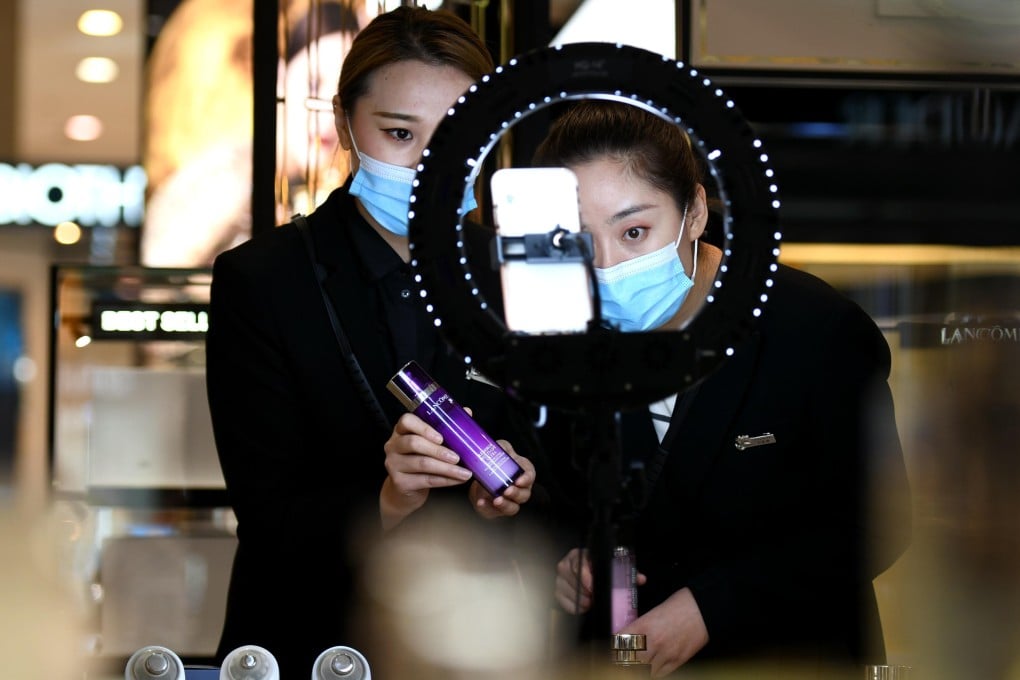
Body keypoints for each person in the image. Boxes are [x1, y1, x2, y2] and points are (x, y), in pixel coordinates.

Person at [205, 7, 537, 677]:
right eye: (398, 132)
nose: (425, 163)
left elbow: (576, 469)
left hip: (476, 640)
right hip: (309, 638)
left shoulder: (518, 274)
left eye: (453, 136)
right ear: (345, 122)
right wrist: (388, 500)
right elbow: (267, 516)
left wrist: (521, 490)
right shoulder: (265, 278)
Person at [530, 101, 913, 677]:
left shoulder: (814, 328)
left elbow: (875, 525)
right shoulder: (566, 340)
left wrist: (708, 608)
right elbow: (567, 498)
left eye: (635, 231)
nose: (606, 267)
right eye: (578, 241)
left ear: (695, 212)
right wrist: (570, 561)